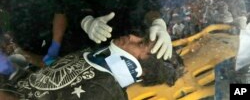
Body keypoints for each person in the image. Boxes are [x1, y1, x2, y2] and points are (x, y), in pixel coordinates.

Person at [8, 0, 172, 66]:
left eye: (141, 42)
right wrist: (85, 19)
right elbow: (67, 0)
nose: (133, 37)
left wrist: (157, 22)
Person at [0, 34, 184, 100]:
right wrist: (19, 53)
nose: (131, 36)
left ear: (143, 69)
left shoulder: (103, 93)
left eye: (141, 43)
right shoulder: (94, 57)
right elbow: (53, 70)